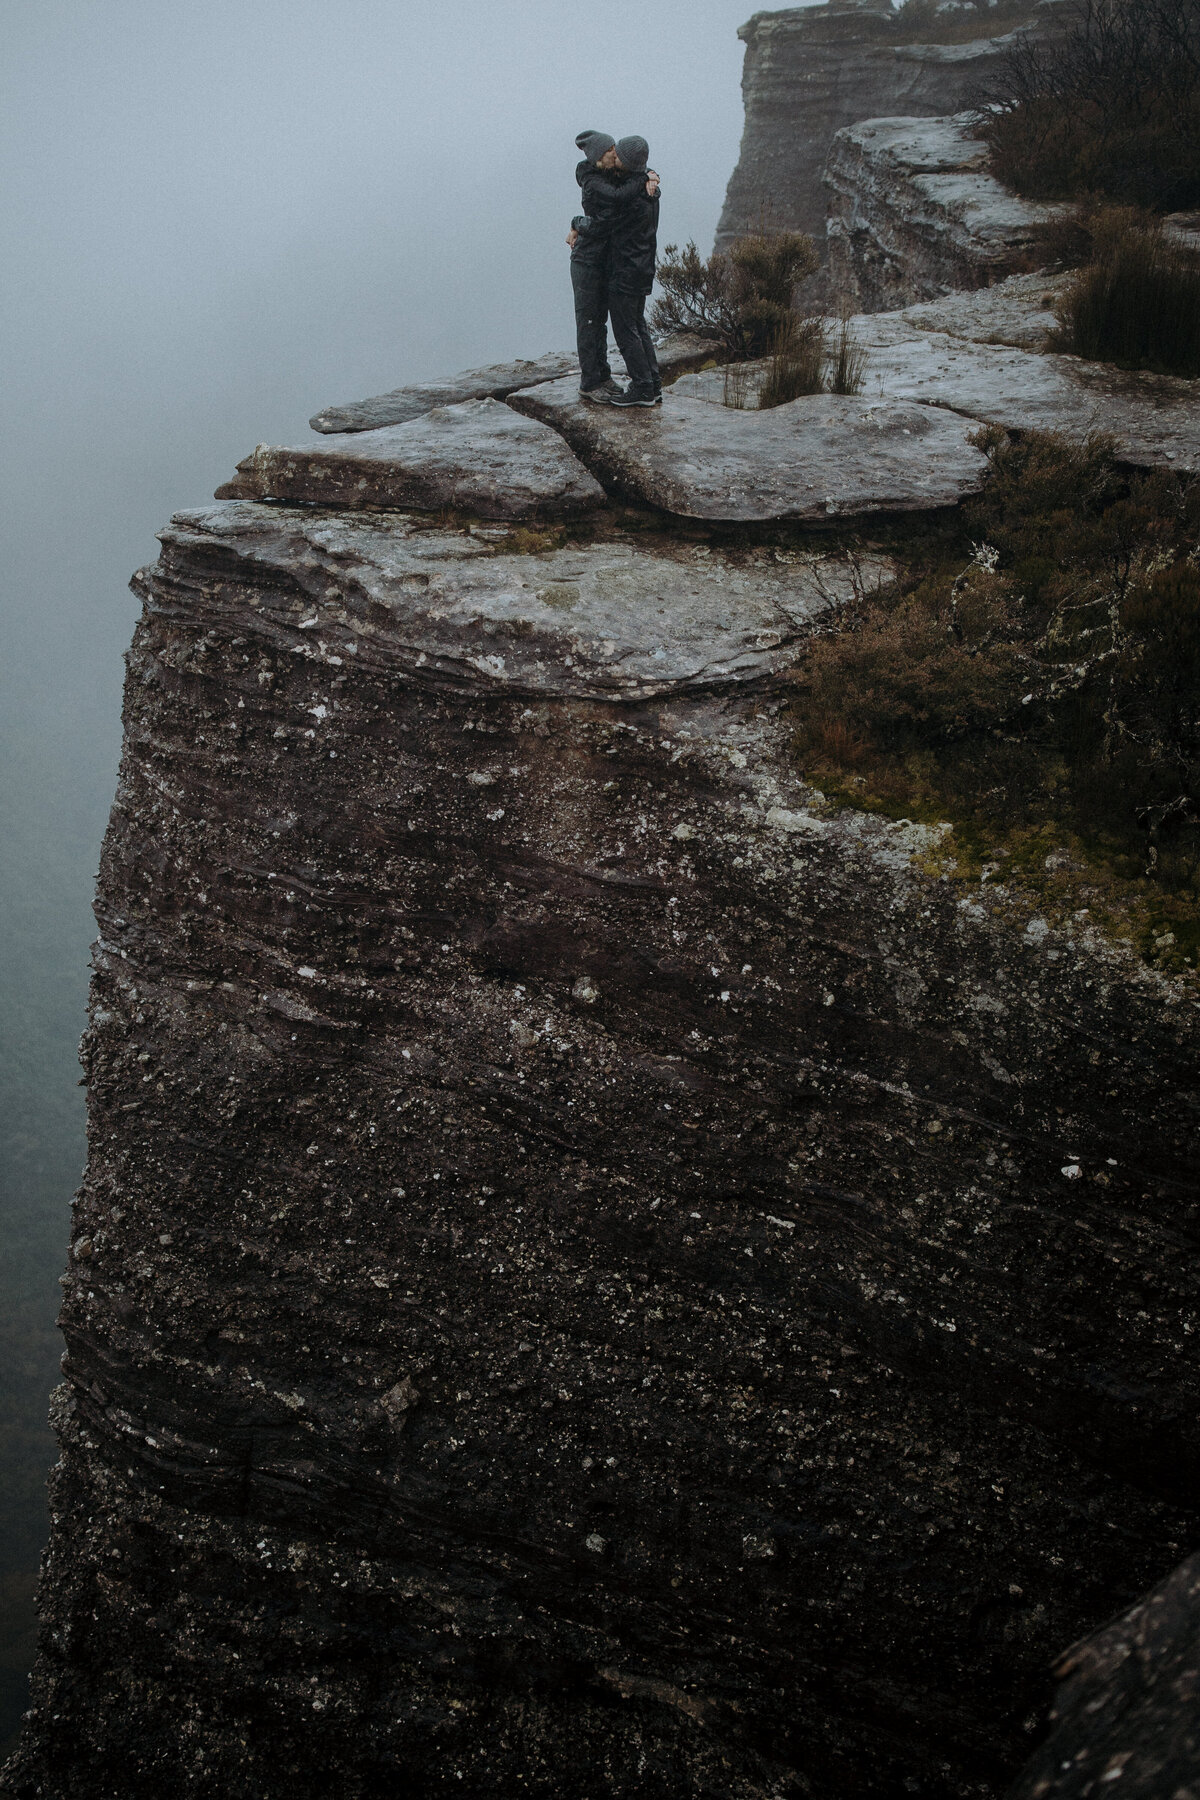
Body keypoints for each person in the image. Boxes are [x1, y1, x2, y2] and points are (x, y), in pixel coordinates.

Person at [566, 131, 659, 404]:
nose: (614, 153)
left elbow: (635, 172)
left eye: (615, 150)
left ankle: (602, 375)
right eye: (610, 151)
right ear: (598, 156)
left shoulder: (611, 174)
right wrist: (576, 223)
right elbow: (606, 217)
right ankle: (590, 382)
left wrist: (650, 175)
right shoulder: (594, 181)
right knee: (589, 321)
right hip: (586, 260)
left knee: (601, 322)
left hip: (606, 261)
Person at [605, 136, 663, 409]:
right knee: (638, 325)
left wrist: (577, 224)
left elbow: (607, 222)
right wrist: (650, 175)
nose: (614, 158)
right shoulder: (649, 191)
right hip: (642, 268)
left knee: (626, 330)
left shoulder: (632, 197)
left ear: (628, 163)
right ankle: (652, 383)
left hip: (627, 270)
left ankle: (642, 387)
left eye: (618, 157)